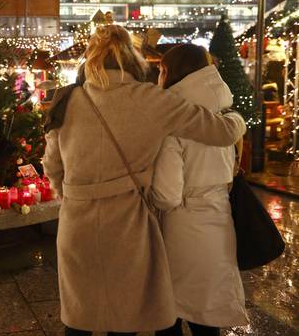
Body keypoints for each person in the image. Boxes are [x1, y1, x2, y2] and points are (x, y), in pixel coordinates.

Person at [42, 25, 246, 336]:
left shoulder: (68, 100)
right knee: (125, 317)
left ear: (92, 60)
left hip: (76, 222)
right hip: (128, 222)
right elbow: (222, 133)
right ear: (133, 59)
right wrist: (236, 117)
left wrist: (71, 195)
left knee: (79, 317)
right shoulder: (152, 99)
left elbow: (53, 167)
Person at [151, 44, 248, 336]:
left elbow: (167, 194)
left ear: (171, 73)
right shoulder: (225, 118)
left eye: (160, 70)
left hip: (184, 230)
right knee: (208, 317)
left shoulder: (175, 125)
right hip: (220, 223)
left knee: (171, 312)